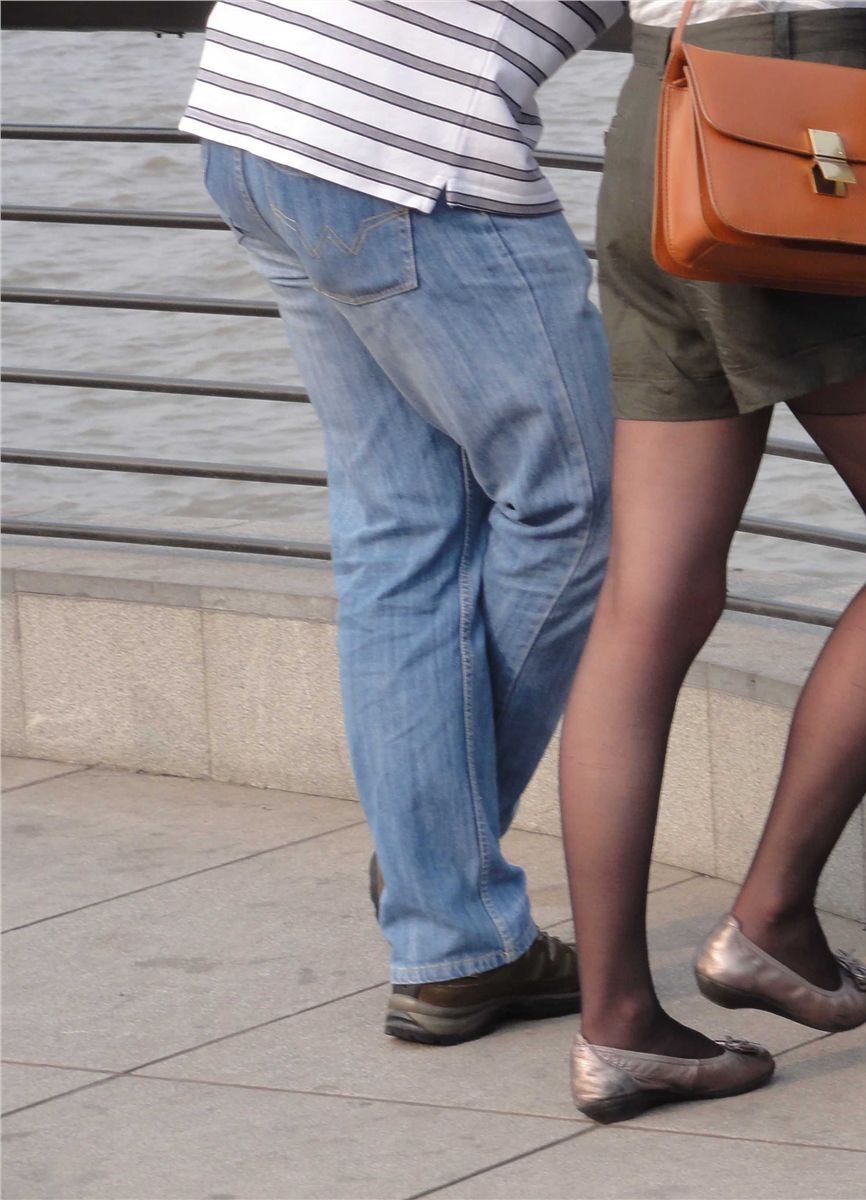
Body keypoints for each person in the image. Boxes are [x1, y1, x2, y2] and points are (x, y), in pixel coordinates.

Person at [560, 0, 866, 1122]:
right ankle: (770, 919)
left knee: (643, 606)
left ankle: (617, 1031)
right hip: (797, 125)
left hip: (658, 119)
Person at [181, 0, 623, 1044]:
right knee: (586, 498)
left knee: (401, 534)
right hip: (399, 147)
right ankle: (436, 872)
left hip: (258, 112)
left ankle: (447, 933)